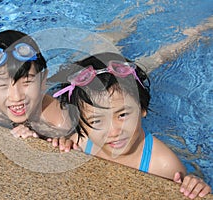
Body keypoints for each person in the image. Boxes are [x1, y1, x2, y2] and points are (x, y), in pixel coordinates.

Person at [51, 52, 211, 199]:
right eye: (97, 121)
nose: (113, 132)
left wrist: (194, 186)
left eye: (122, 115)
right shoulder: (81, 142)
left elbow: (188, 191)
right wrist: (63, 145)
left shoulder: (164, 165)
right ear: (81, 123)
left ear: (142, 108)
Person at [0, 30, 76, 151]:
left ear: (43, 79)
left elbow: (70, 144)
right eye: (3, 85)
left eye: (27, 82)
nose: (16, 97)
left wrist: (41, 141)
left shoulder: (58, 120)